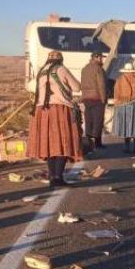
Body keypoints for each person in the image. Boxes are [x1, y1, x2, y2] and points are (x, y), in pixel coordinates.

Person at [28, 51, 83, 186]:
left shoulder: (41, 72)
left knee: (49, 144)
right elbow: (77, 87)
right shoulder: (61, 70)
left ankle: (53, 176)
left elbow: (31, 87)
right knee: (64, 142)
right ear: (60, 60)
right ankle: (58, 177)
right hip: (60, 110)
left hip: (42, 111)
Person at [112, 63, 135, 154]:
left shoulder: (120, 79)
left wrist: (117, 103)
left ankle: (126, 146)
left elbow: (116, 93)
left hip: (124, 106)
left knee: (126, 127)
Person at [80, 51, 107, 151]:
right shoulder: (98, 69)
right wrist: (103, 98)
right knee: (98, 121)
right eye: (101, 58)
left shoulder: (84, 68)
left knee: (89, 120)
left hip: (86, 98)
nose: (102, 59)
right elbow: (102, 85)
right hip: (97, 98)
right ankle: (97, 143)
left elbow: (82, 83)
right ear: (97, 58)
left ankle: (88, 142)